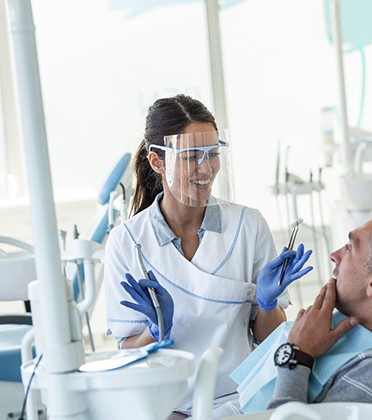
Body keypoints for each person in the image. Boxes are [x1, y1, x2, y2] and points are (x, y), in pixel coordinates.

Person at [104, 94, 312, 417]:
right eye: (191, 157)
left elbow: (268, 336)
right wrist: (154, 333)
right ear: (157, 161)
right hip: (167, 406)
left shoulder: (248, 226)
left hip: (242, 401)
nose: (206, 168)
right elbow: (126, 355)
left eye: (212, 153)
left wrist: (268, 304)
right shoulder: (126, 243)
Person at [213, 219, 372, 417]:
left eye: (350, 247)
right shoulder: (336, 328)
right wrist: (267, 304)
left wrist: (298, 355)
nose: (334, 255)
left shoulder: (366, 378)